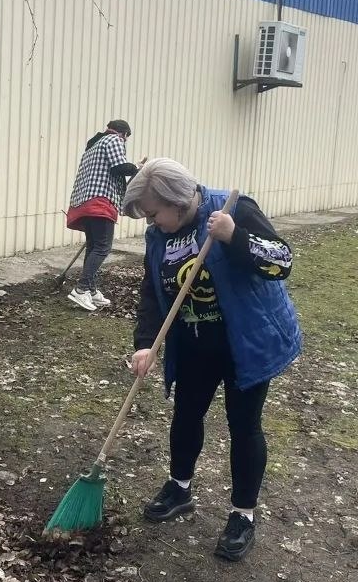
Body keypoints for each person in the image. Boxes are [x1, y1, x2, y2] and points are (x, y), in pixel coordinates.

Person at [122, 158, 302, 561]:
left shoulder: (232, 209)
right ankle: (180, 487)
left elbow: (282, 262)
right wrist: (146, 343)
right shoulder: (158, 235)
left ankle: (243, 515)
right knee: (186, 415)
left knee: (244, 425)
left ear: (179, 201)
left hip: (245, 342)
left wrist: (234, 236)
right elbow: (152, 292)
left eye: (153, 213)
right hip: (194, 343)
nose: (151, 222)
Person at [64, 119, 141, 312]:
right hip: (101, 202)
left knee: (93, 247)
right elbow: (119, 167)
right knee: (102, 247)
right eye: (126, 138)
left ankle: (91, 289)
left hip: (85, 202)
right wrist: (137, 168)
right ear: (123, 134)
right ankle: (81, 289)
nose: (124, 142)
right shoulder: (113, 140)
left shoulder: (92, 148)